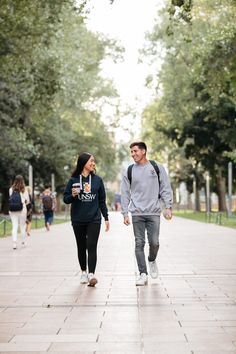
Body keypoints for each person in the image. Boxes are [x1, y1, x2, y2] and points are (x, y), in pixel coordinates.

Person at [121, 142, 173, 286]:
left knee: (154, 243)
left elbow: (165, 188)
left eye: (135, 151)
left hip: (154, 212)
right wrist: (125, 213)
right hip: (137, 213)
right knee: (139, 243)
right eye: (131, 152)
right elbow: (124, 193)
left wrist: (168, 206)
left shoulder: (156, 167)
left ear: (143, 151)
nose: (133, 154)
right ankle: (143, 273)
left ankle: (151, 260)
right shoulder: (129, 170)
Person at [63, 152, 110, 287]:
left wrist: (106, 217)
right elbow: (65, 200)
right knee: (81, 246)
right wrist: (72, 195)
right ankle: (83, 272)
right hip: (78, 219)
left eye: (94, 161)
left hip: (94, 219)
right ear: (83, 163)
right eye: (91, 161)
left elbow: (102, 201)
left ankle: (91, 274)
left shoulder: (98, 180)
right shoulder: (73, 180)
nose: (93, 163)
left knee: (91, 245)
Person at [9, 175, 30, 249]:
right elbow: (28, 201)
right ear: (22, 180)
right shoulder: (24, 189)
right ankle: (23, 242)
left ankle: (14, 243)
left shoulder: (11, 189)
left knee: (14, 226)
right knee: (22, 226)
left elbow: (11, 199)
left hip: (12, 209)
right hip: (22, 209)